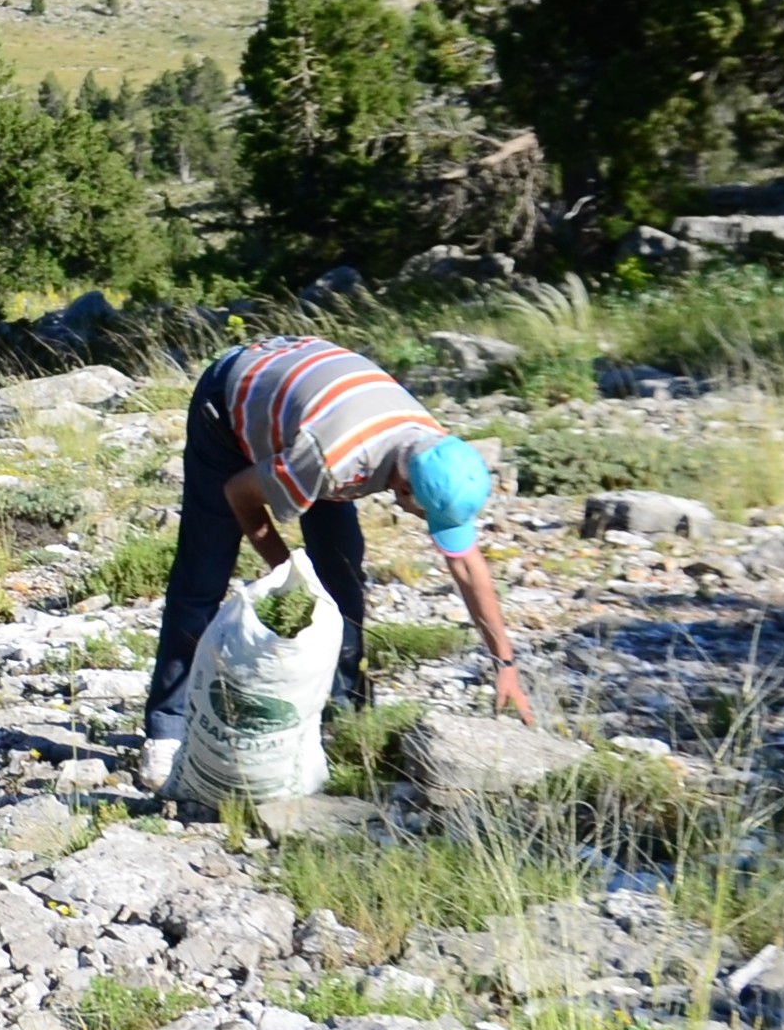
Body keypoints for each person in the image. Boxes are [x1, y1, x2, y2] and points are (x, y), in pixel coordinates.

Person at [136, 330, 528, 788]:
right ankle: (167, 727)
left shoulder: (437, 451)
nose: (425, 523)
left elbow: (465, 564)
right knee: (203, 574)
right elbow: (238, 494)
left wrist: (505, 664)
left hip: (310, 414)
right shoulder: (330, 462)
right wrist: (290, 575)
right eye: (425, 515)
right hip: (229, 402)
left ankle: (342, 718)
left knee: (341, 578)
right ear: (402, 486)